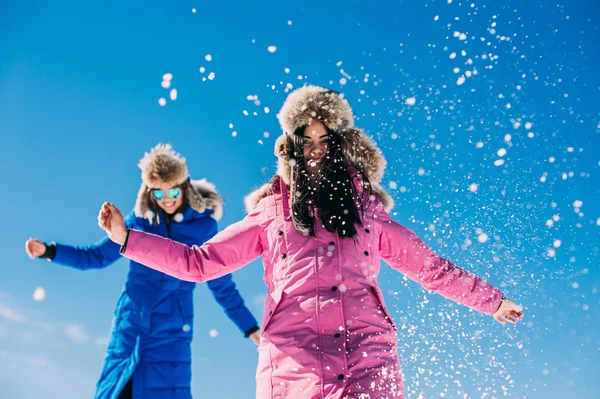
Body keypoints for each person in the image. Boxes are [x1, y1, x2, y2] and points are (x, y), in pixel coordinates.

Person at [98, 87, 524, 398]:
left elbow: (429, 268)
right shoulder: (272, 213)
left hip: (368, 364)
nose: (316, 151)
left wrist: (492, 301)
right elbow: (201, 263)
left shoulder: (367, 212)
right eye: (307, 142)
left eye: (326, 140)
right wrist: (127, 239)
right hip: (293, 370)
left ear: (341, 146)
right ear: (292, 149)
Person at [26, 144, 260, 399]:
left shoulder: (203, 228)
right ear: (149, 194)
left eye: (172, 191)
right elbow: (95, 257)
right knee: (116, 391)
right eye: (158, 194)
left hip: (171, 330)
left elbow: (222, 284)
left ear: (184, 188)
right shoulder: (138, 223)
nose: (167, 199)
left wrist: (250, 328)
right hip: (131, 325)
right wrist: (49, 251)